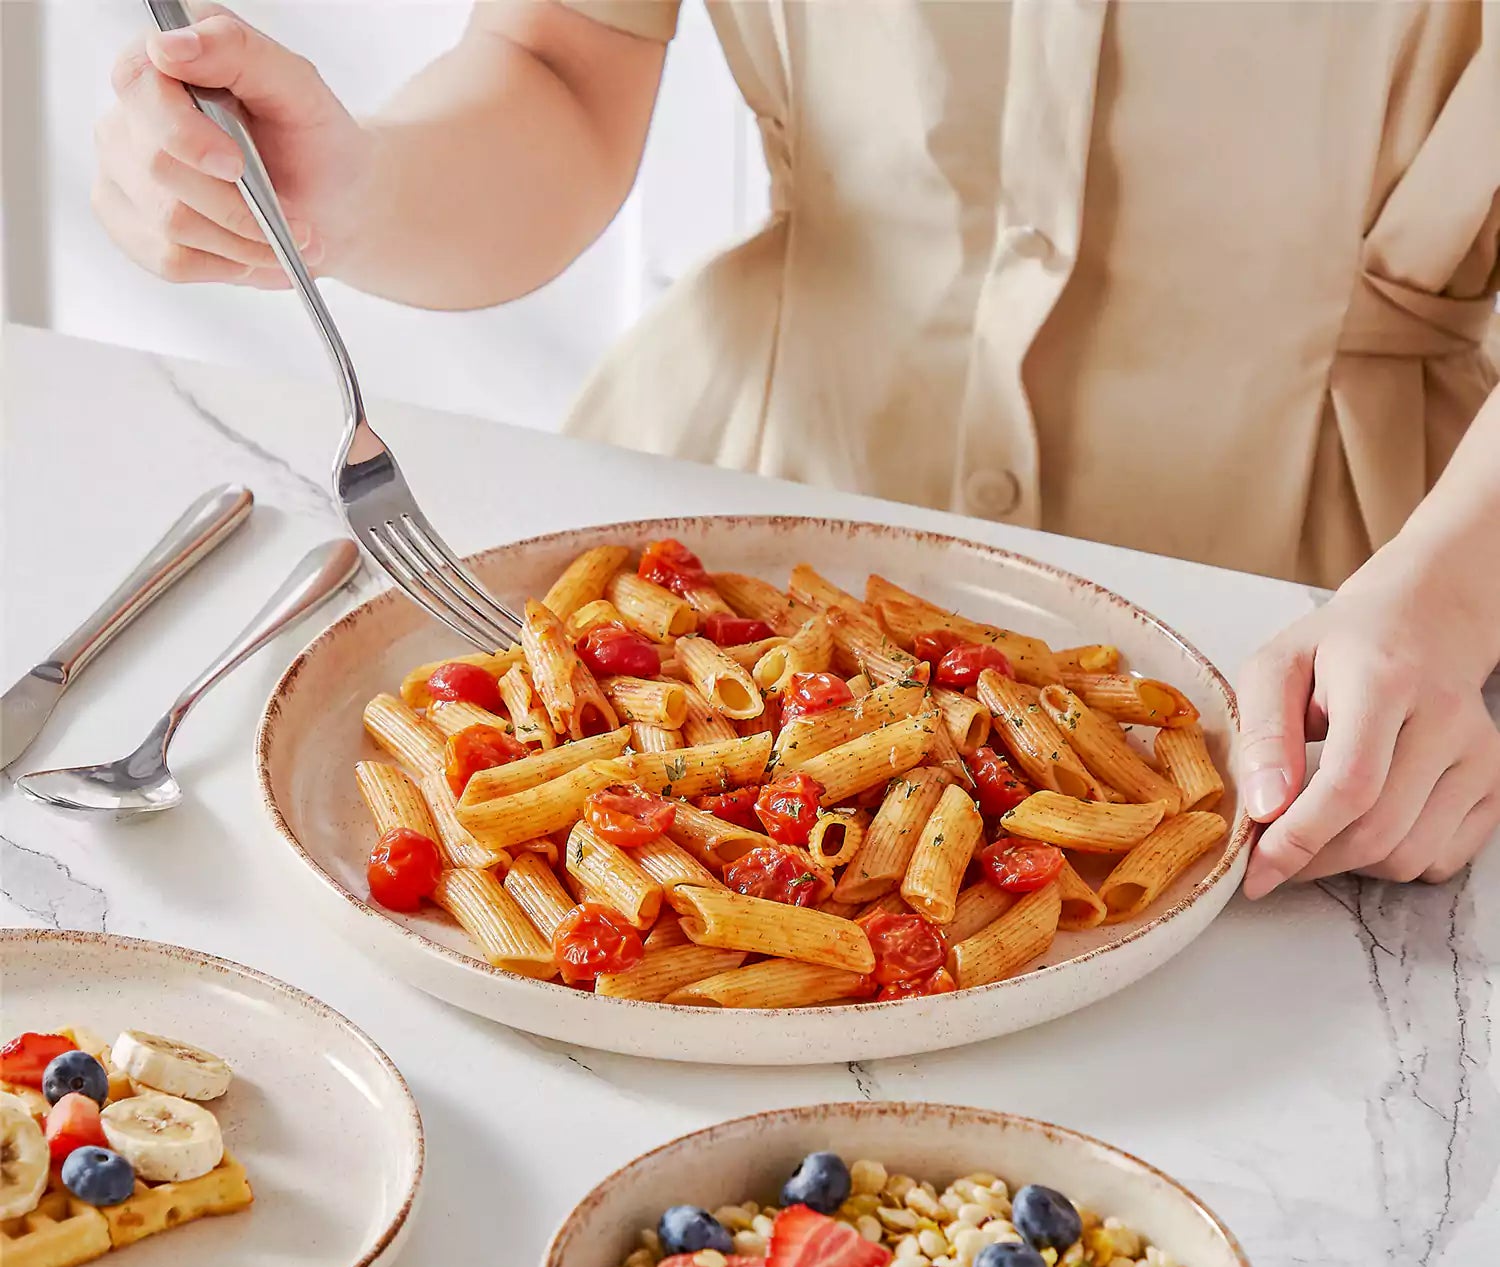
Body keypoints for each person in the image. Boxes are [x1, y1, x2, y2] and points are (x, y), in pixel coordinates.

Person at [92, 1, 1500, 894]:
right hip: (755, 497)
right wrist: (352, 192)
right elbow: (560, 61)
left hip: (1343, 602)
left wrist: (1443, 600)